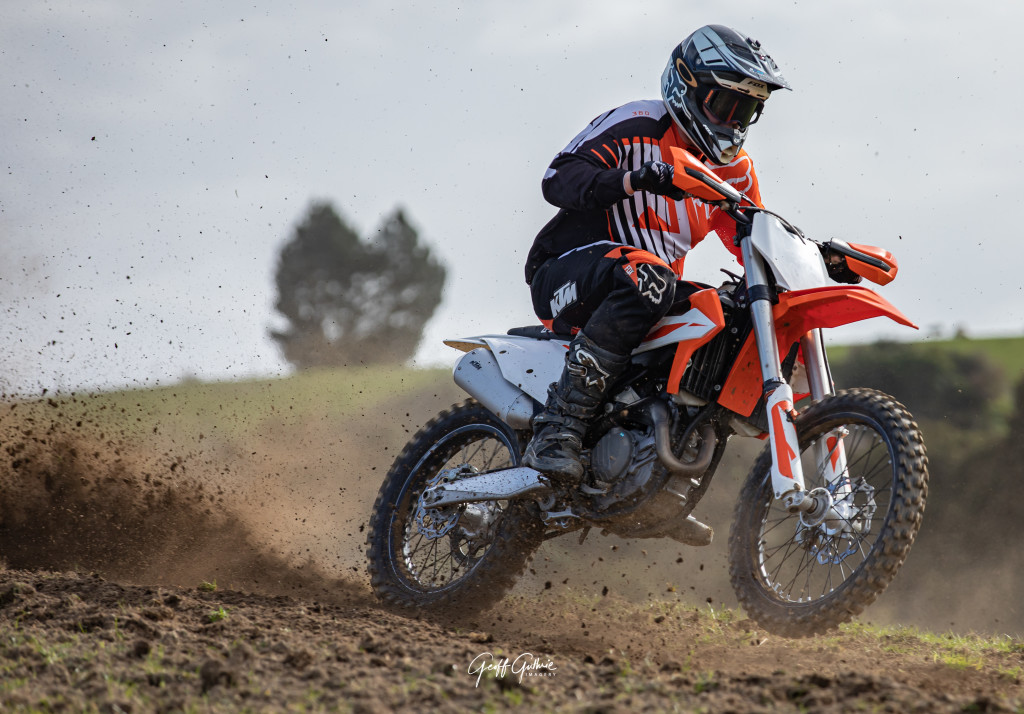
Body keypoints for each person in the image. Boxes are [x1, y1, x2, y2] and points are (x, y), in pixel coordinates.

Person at [522, 24, 790, 482]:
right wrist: (636, 178)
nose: (733, 122)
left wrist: (813, 265)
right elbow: (556, 179)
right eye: (725, 105)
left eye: (746, 111)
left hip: (646, 298)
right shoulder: (639, 123)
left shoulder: (736, 173)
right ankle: (556, 429)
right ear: (687, 84)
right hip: (565, 276)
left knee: (729, 315)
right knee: (650, 278)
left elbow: (754, 243)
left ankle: (660, 468)